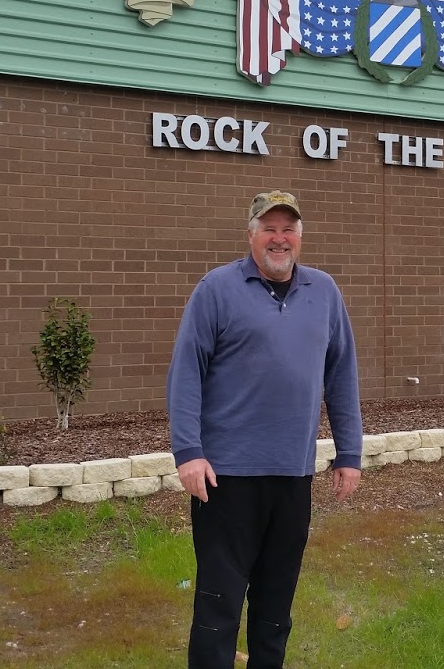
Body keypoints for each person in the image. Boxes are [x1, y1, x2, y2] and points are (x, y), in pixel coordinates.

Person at [167, 189, 363, 668]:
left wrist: (349, 453)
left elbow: (341, 374)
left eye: (288, 228)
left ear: (300, 236)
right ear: (251, 235)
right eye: (269, 228)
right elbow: (186, 371)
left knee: (276, 605)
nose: (280, 238)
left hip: (293, 475)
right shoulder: (216, 289)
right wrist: (188, 451)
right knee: (219, 602)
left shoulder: (325, 292)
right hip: (225, 478)